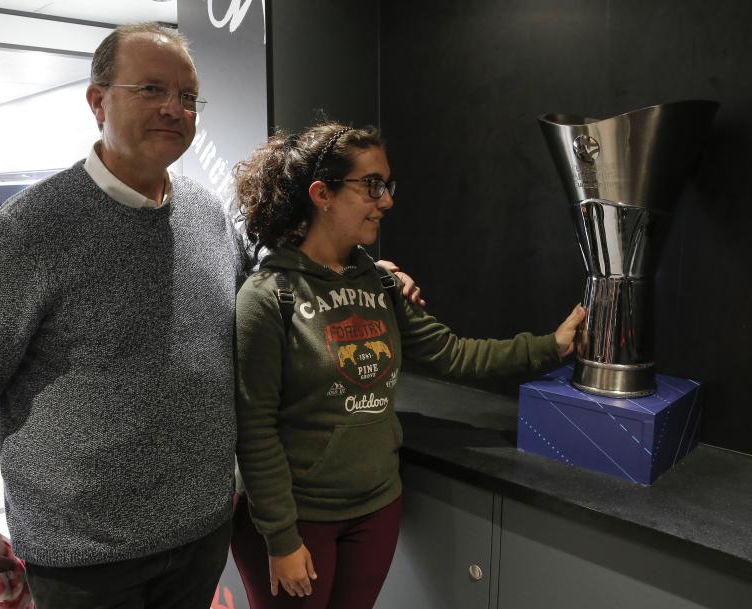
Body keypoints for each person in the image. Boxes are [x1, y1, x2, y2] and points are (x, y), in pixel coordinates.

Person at [231, 122, 586, 609]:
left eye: (386, 185)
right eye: (371, 185)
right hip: (299, 520)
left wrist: (552, 346)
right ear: (323, 194)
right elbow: (255, 429)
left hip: (376, 509)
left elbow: (453, 353)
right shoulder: (269, 297)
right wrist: (280, 537)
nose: (387, 201)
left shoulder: (382, 285)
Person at [0, 23, 241, 608]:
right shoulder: (28, 231)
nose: (173, 109)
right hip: (85, 558)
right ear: (97, 100)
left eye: (186, 96)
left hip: (201, 533)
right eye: (151, 89)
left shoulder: (208, 216)